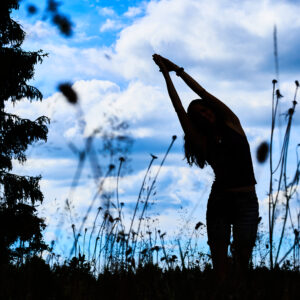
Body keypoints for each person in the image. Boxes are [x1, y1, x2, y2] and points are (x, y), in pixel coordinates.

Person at [152, 54, 259, 284]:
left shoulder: (232, 122)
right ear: (196, 120)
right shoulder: (201, 140)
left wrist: (177, 70)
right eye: (199, 114)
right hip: (220, 201)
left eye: (205, 109)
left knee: (242, 262)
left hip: (247, 201)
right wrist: (165, 76)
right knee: (219, 266)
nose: (205, 112)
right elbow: (178, 107)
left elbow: (203, 93)